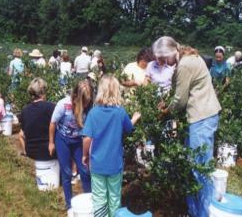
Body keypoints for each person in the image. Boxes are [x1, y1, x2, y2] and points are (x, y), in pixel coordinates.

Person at [156, 37, 221, 217]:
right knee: (196, 164)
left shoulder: (184, 64)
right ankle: (195, 211)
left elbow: (180, 100)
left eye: (162, 58)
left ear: (169, 53)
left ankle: (202, 213)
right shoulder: (190, 57)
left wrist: (166, 111)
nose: (162, 62)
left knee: (199, 168)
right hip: (205, 115)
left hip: (201, 117)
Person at [82, 75, 141, 217]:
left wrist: (85, 155)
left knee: (99, 197)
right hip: (115, 164)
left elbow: (87, 138)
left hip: (97, 164)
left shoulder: (93, 112)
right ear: (117, 91)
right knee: (114, 197)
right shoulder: (120, 112)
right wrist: (134, 118)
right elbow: (128, 128)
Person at [49, 80, 92, 214]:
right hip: (62, 139)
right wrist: (51, 142)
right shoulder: (63, 105)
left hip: (78, 141)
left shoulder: (89, 107)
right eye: (83, 102)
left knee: (85, 171)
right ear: (75, 98)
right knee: (66, 172)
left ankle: (90, 202)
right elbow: (53, 123)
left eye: (87, 102)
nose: (85, 105)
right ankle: (69, 205)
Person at [19, 78, 57, 161]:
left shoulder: (25, 110)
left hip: (31, 151)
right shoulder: (51, 107)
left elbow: (22, 134)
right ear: (43, 91)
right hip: (49, 151)